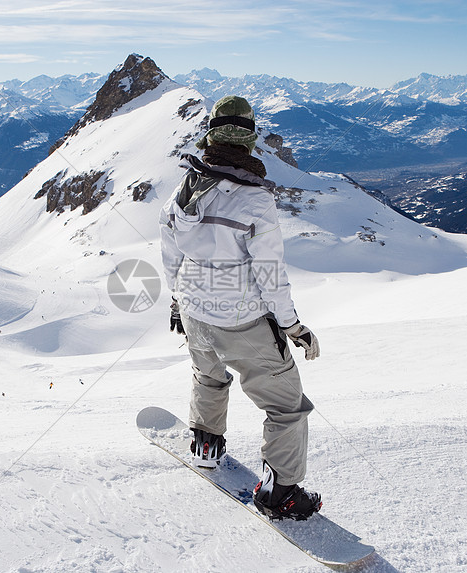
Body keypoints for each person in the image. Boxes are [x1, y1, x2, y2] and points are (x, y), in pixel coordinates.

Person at [159, 95, 322, 521]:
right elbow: (270, 273)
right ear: (250, 139)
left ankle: (206, 443)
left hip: (195, 308)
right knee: (286, 405)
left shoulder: (184, 189)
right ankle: (282, 494)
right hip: (241, 317)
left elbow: (170, 252)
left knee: (208, 375)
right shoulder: (255, 200)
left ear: (211, 135)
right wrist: (292, 326)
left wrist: (177, 300)